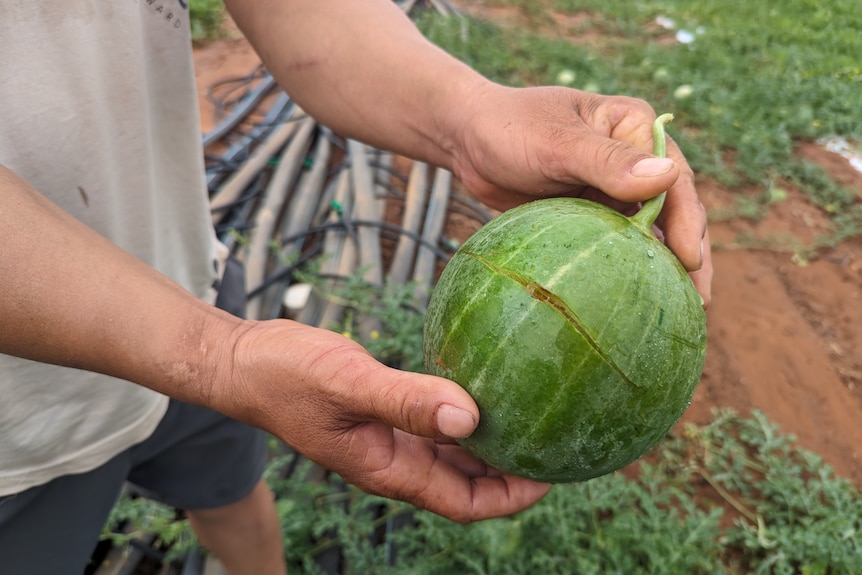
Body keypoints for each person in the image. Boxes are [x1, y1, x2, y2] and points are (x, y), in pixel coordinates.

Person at [0, 1, 712, 574]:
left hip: (188, 279)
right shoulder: (219, 351)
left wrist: (467, 113)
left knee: (233, 492)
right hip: (20, 431)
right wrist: (215, 356)